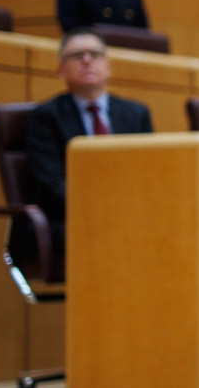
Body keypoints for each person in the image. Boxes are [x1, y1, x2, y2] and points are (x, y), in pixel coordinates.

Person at [26, 28, 154, 272]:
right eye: (77, 55)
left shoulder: (136, 114)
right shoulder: (45, 117)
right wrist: (104, 211)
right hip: (72, 219)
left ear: (108, 66)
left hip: (127, 216)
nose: (87, 60)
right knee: (111, 235)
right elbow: (53, 183)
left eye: (95, 54)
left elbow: (149, 174)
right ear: (61, 70)